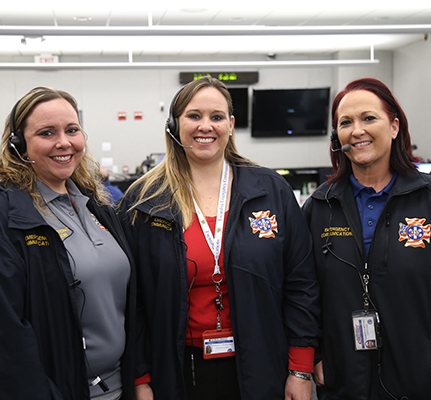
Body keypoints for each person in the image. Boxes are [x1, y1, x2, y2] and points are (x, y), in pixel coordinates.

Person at [117, 76, 321, 400]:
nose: (205, 126)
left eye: (216, 117)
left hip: (262, 363)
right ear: (174, 124)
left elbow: (301, 283)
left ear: (231, 124)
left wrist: (300, 369)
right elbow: (133, 300)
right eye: (194, 116)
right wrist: (140, 378)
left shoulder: (270, 190)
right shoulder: (144, 201)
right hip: (176, 369)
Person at [302, 78, 431, 400]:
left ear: (393, 127)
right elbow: (301, 291)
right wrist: (314, 358)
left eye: (368, 118)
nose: (356, 130)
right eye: (345, 123)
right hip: (342, 383)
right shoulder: (320, 207)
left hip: (419, 385)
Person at [0, 87, 136, 400]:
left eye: (72, 130)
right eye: (47, 133)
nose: (64, 142)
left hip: (111, 387)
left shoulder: (95, 206)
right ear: (19, 145)